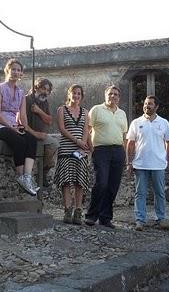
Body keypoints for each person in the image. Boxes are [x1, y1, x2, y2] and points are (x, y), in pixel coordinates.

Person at [0, 58, 39, 196]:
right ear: (7, 70)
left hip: (13, 126)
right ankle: (20, 177)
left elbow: (22, 116)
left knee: (31, 139)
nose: (16, 72)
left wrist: (25, 128)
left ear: (21, 74)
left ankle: (27, 177)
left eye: (19, 70)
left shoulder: (21, 93)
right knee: (18, 140)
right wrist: (11, 127)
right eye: (13, 69)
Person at [126, 95, 169, 231]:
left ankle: (161, 218)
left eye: (150, 104)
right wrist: (129, 162)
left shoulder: (164, 123)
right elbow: (130, 143)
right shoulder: (136, 122)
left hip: (158, 164)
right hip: (140, 164)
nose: (147, 106)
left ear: (156, 106)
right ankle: (140, 220)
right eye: (146, 103)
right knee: (140, 193)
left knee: (159, 193)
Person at [85, 85, 128, 228]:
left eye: (116, 94)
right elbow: (88, 129)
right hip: (101, 150)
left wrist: (126, 155)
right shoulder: (96, 110)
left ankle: (106, 217)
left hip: (118, 151)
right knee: (101, 183)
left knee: (112, 186)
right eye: (110, 94)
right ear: (105, 95)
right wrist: (91, 148)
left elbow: (124, 136)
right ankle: (91, 215)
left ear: (119, 97)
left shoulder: (122, 113)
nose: (113, 96)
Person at [54, 84, 90, 225]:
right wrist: (77, 141)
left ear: (81, 96)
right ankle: (67, 210)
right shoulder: (61, 110)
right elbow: (62, 129)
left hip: (80, 151)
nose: (76, 96)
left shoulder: (85, 112)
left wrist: (83, 144)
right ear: (69, 94)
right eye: (74, 93)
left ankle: (78, 210)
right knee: (66, 181)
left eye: (79, 94)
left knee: (79, 181)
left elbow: (86, 130)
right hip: (66, 149)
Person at [25, 78, 59, 187]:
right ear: (36, 88)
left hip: (41, 134)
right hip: (28, 133)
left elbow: (49, 120)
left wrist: (39, 111)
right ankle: (35, 173)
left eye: (48, 90)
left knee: (54, 144)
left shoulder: (45, 103)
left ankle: (43, 172)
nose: (45, 92)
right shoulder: (27, 100)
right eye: (43, 89)